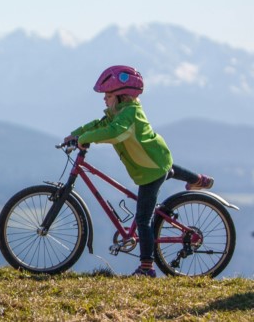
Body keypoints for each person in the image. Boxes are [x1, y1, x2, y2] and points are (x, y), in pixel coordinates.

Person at [64, 65, 214, 278]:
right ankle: (198, 179)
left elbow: (115, 132)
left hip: (151, 170)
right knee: (167, 169)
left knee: (143, 219)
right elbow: (101, 123)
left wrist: (85, 139)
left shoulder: (130, 115)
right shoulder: (120, 112)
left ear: (121, 96)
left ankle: (147, 267)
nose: (104, 99)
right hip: (154, 163)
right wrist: (76, 134)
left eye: (107, 95)